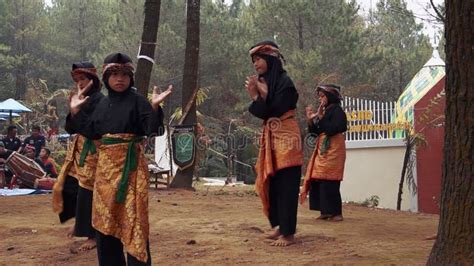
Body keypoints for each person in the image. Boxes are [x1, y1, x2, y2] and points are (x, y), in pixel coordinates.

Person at [67, 52, 172, 265]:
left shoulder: (138, 102)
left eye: (124, 74)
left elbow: (153, 129)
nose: (120, 78)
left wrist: (154, 108)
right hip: (104, 173)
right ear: (106, 77)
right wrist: (75, 111)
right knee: (105, 222)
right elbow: (90, 131)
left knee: (134, 221)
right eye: (114, 74)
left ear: (131, 77)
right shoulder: (101, 104)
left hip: (132, 171)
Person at [246, 41, 304, 247]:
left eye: (259, 59)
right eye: (254, 61)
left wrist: (257, 95)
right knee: (275, 184)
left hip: (287, 137)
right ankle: (279, 225)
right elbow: (264, 111)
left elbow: (275, 109)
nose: (255, 64)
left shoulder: (285, 82)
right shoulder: (268, 82)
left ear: (270, 59)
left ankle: (289, 233)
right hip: (272, 135)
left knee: (287, 185)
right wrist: (258, 94)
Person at [52, 62, 105, 251]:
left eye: (84, 79)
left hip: (96, 153)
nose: (80, 83)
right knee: (71, 186)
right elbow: (70, 128)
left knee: (90, 193)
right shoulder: (79, 97)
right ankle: (80, 223)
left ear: (93, 80)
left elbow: (93, 129)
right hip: (79, 151)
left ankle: (93, 234)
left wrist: (78, 110)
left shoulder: (100, 100)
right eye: (77, 80)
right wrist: (74, 107)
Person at [300, 84, 347, 221]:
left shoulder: (337, 111)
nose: (321, 99)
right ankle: (325, 211)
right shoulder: (326, 112)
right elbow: (316, 133)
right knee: (318, 179)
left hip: (334, 150)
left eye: (323, 96)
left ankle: (336, 213)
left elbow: (333, 129)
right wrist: (310, 120)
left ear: (330, 97)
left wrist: (320, 117)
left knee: (331, 180)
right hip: (323, 150)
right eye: (320, 97)